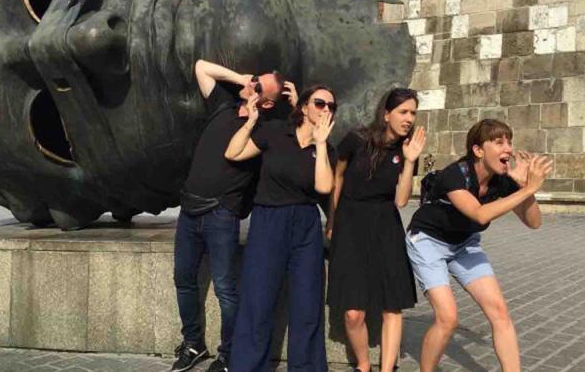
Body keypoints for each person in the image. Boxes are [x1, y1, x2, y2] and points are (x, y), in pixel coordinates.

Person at [405, 119, 552, 372]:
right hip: (428, 241)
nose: (507, 148)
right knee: (448, 318)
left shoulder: (502, 181)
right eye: (498, 142)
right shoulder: (455, 175)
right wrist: (528, 188)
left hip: (465, 244)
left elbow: (534, 222)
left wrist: (524, 188)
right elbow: (480, 214)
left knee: (499, 312)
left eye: (509, 141)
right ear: (478, 150)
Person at [172, 59, 290, 372]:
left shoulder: (263, 132)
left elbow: (293, 138)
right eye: (254, 79)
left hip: (221, 215)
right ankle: (193, 344)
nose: (250, 84)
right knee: (183, 280)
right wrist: (242, 77)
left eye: (258, 85)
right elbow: (199, 67)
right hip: (189, 209)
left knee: (225, 289)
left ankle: (229, 355)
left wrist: (286, 104)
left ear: (266, 101)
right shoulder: (222, 106)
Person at [225, 85, 337, 372]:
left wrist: (321, 144)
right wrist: (250, 121)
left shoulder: (326, 149)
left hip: (305, 225)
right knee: (258, 299)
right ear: (303, 107)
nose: (326, 110)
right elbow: (233, 153)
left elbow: (323, 186)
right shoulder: (275, 132)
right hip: (268, 220)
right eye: (320, 103)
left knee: (307, 303)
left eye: (331, 107)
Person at [326, 88, 426, 372]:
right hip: (351, 225)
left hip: (385, 226)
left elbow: (402, 199)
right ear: (386, 114)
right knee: (353, 313)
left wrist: (409, 161)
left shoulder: (407, 150)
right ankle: (362, 365)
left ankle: (386, 368)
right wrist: (332, 220)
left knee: (391, 306)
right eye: (403, 112)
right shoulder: (356, 139)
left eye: (413, 113)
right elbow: (338, 175)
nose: (409, 119)